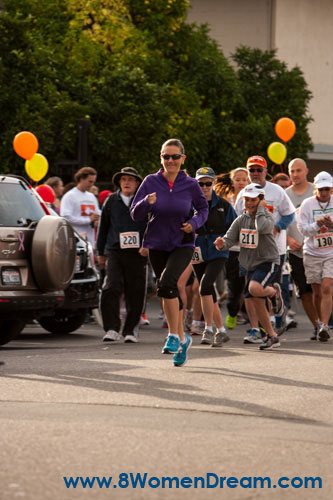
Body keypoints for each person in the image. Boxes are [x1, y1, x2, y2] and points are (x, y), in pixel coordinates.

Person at [131, 138, 208, 366]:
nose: (171, 160)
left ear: (183, 159)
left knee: (167, 283)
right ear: (161, 158)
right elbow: (135, 213)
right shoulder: (150, 181)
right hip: (156, 242)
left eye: (175, 156)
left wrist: (193, 224)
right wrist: (146, 201)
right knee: (166, 289)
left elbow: (203, 209)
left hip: (182, 242)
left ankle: (173, 335)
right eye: (166, 156)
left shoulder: (190, 184)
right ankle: (182, 340)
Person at [215, 183, 283, 350]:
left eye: (253, 200)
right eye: (246, 200)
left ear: (261, 200)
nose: (249, 203)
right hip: (250, 265)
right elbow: (230, 239)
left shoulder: (266, 215)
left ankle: (274, 292)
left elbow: (262, 227)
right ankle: (272, 336)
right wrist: (221, 243)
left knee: (254, 289)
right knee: (255, 299)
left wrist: (261, 208)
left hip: (267, 262)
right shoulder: (241, 220)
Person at [235, 156, 295, 342]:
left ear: (265, 171)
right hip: (250, 250)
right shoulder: (243, 194)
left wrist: (277, 227)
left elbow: (290, 214)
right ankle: (256, 329)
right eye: (251, 170)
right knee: (250, 289)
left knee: (263, 287)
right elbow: (238, 221)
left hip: (274, 250)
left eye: (258, 170)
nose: (255, 174)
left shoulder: (276, 191)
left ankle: (273, 321)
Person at [97, 167, 148, 343]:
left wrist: (147, 245)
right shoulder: (111, 201)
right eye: (123, 179)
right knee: (111, 287)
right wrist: (100, 251)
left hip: (137, 252)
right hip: (115, 250)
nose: (126, 182)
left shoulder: (144, 201)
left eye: (130, 179)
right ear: (119, 182)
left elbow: (152, 226)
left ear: (137, 183)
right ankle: (111, 328)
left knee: (136, 290)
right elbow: (103, 227)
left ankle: (131, 330)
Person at [193, 167, 237, 347]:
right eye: (200, 183)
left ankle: (208, 329)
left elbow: (234, 228)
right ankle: (221, 330)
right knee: (209, 292)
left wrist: (224, 241)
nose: (204, 187)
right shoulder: (190, 204)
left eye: (207, 183)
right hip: (196, 251)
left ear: (214, 183)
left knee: (205, 286)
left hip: (218, 251)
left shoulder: (224, 205)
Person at [297, 171, 333, 342]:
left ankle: (325, 325)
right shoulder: (307, 204)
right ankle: (319, 323)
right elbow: (302, 229)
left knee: (327, 287)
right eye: (321, 189)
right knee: (317, 291)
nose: (324, 193)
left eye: (327, 189)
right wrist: (316, 225)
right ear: (316, 189)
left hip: (331, 253)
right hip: (311, 252)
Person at [285, 159, 319, 339]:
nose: (295, 174)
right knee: (304, 291)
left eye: (299, 170)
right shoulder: (285, 195)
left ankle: (324, 320)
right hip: (296, 252)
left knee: (321, 288)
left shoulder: (316, 191)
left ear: (306, 171)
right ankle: (317, 326)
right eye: (292, 171)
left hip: (318, 250)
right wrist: (289, 239)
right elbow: (278, 223)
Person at [215, 168, 249, 329]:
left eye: (244, 179)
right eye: (238, 179)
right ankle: (233, 311)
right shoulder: (225, 201)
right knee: (234, 287)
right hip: (232, 250)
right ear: (232, 181)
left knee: (250, 285)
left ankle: (256, 320)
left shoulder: (252, 199)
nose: (241, 182)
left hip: (250, 249)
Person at [60, 167, 101, 248]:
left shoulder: (91, 196)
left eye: (93, 182)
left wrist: (98, 219)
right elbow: (66, 217)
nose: (92, 184)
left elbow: (97, 213)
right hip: (75, 241)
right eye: (90, 181)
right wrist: (88, 220)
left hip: (90, 242)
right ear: (81, 179)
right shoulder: (69, 196)